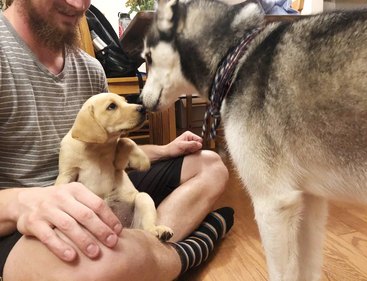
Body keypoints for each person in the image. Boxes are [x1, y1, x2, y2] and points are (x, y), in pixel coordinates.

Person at [0, 0, 234, 280]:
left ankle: (143, 255)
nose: (79, 5)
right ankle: (191, 247)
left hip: (102, 198)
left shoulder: (90, 68)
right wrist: (22, 203)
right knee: (101, 267)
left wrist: (164, 150)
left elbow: (111, 154)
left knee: (210, 166)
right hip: (19, 223)